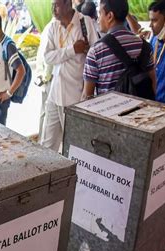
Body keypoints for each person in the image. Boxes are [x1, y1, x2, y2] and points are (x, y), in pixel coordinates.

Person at [41, 0, 98, 151]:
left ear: (68, 3)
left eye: (56, 4)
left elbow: (95, 55)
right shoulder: (53, 26)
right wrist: (72, 50)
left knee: (74, 146)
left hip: (75, 97)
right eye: (52, 4)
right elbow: (47, 57)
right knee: (47, 145)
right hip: (55, 94)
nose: (53, 8)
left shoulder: (84, 23)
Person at [82, 0, 156, 99]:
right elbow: (153, 84)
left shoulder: (96, 50)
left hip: (108, 113)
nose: (98, 19)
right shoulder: (144, 46)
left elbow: (87, 95)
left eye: (100, 13)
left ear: (110, 16)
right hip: (140, 112)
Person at [34, 22, 54, 141]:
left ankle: (41, 139)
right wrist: (46, 76)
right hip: (49, 79)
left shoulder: (48, 26)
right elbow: (48, 57)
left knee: (44, 113)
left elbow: (40, 54)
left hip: (45, 77)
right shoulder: (54, 28)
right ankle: (43, 140)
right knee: (48, 114)